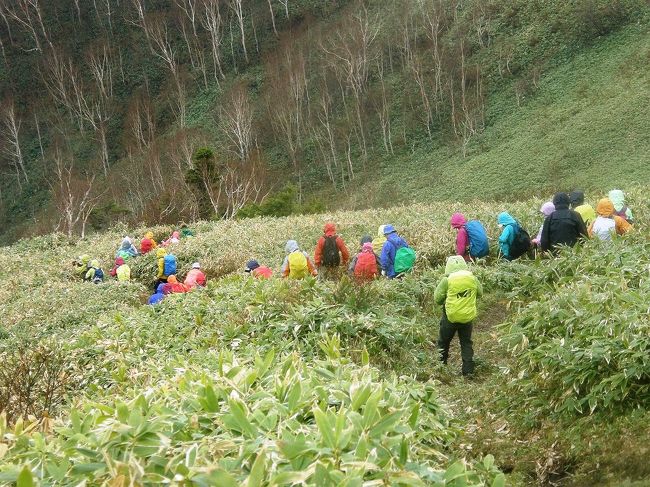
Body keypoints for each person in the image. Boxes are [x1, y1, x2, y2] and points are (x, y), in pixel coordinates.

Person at [434, 255, 482, 376]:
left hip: (450, 318)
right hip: (467, 317)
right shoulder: (472, 278)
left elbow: (438, 299)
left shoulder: (447, 280)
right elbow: (480, 294)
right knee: (466, 342)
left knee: (443, 341)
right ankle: (468, 371)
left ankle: (441, 367)